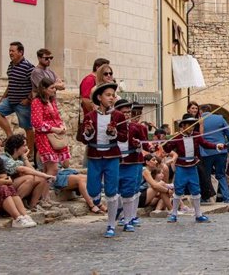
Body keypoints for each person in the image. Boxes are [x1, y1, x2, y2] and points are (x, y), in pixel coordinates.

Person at [77, 81, 128, 238]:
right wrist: (88, 132)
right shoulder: (90, 116)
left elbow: (124, 137)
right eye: (108, 95)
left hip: (112, 156)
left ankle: (111, 224)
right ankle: (101, 200)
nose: (111, 98)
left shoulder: (118, 116)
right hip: (94, 156)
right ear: (99, 97)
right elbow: (82, 138)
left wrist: (114, 134)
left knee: (111, 191)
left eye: (113, 95)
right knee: (92, 191)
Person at [163, 114, 225, 223]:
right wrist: (165, 143)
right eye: (189, 125)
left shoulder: (196, 136)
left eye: (193, 125)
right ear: (183, 126)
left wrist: (216, 146)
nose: (191, 128)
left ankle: (198, 215)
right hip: (181, 166)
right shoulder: (177, 137)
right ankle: (174, 214)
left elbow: (205, 144)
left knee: (196, 190)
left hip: (192, 166)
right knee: (178, 190)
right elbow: (167, 148)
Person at [0, 42, 35, 153]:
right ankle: (10, 135)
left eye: (13, 51)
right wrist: (3, 97)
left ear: (20, 52)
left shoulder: (28, 67)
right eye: (10, 50)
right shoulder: (11, 65)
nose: (10, 53)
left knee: (28, 128)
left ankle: (30, 152)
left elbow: (35, 86)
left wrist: (28, 99)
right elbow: (11, 83)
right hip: (11, 100)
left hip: (22, 103)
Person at [115, 99, 148, 232]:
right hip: (116, 162)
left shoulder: (138, 127)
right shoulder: (112, 128)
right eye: (124, 112)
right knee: (115, 190)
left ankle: (130, 216)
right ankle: (119, 212)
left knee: (133, 189)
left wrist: (138, 144)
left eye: (129, 112)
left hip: (134, 161)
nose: (127, 115)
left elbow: (145, 145)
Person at [0, 134, 37, 228]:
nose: (0, 149)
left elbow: (6, 180)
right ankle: (17, 218)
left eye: (0, 146)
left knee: (7, 187)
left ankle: (24, 215)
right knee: (3, 187)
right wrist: (0, 181)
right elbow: (4, 180)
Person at [1, 134, 55, 210]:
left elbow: (32, 170)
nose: (26, 148)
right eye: (24, 145)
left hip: (15, 183)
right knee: (29, 178)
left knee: (40, 178)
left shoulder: (20, 157)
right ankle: (16, 205)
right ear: (16, 148)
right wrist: (44, 175)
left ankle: (33, 205)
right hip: (5, 185)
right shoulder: (4, 158)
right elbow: (22, 169)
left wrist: (25, 159)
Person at [31, 77, 70, 177]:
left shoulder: (52, 101)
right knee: (53, 167)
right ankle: (46, 189)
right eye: (52, 88)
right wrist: (53, 129)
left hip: (56, 136)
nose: (54, 90)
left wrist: (62, 125)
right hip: (45, 137)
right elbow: (37, 123)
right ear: (44, 89)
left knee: (64, 164)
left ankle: (45, 186)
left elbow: (57, 117)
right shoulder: (37, 102)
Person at [199, 105, 229, 204]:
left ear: (201, 112)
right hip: (221, 151)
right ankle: (227, 197)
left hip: (206, 152)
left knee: (206, 175)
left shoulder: (200, 121)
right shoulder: (220, 118)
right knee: (221, 175)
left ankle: (205, 198)